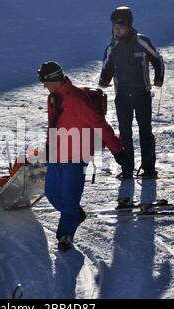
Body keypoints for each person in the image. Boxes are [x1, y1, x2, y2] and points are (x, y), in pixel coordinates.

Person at [38, 61, 126, 251]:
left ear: (53, 79)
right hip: (56, 154)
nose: (43, 85)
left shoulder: (77, 99)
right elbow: (52, 125)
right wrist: (47, 146)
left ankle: (65, 236)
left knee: (70, 198)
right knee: (52, 193)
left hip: (76, 155)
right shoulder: (53, 98)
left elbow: (99, 124)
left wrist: (117, 150)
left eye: (44, 81)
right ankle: (75, 214)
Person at [99, 6, 164, 179]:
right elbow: (107, 67)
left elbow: (157, 59)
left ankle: (148, 169)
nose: (117, 29)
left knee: (145, 131)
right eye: (114, 26)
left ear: (128, 25)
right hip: (122, 96)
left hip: (142, 94)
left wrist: (159, 77)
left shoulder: (142, 41)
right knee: (125, 132)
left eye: (120, 26)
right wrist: (104, 80)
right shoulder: (112, 47)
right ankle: (127, 168)